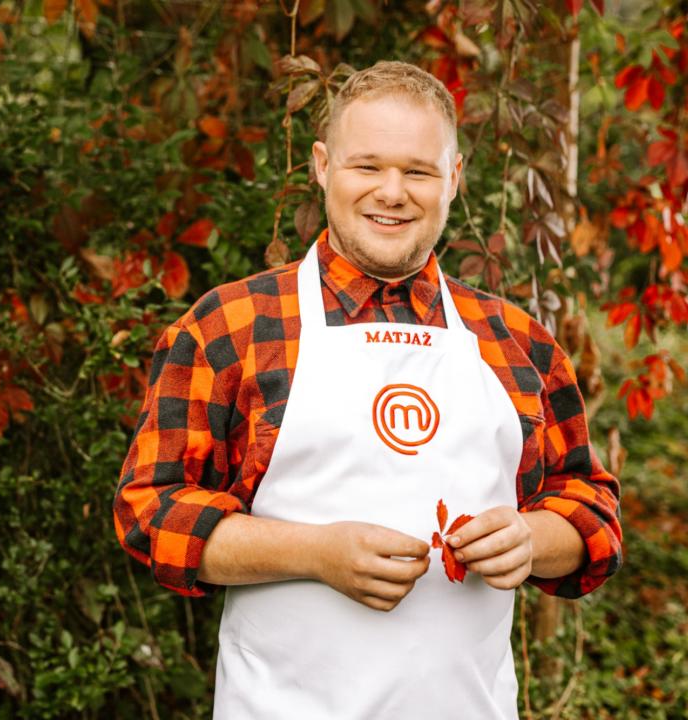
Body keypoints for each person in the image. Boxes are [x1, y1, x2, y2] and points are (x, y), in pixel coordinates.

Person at [113, 61, 622, 719]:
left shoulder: (516, 340)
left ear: (455, 179)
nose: (392, 191)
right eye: (367, 166)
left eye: (418, 171)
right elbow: (151, 515)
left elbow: (592, 509)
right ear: (323, 166)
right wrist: (314, 553)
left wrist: (532, 538)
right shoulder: (231, 326)